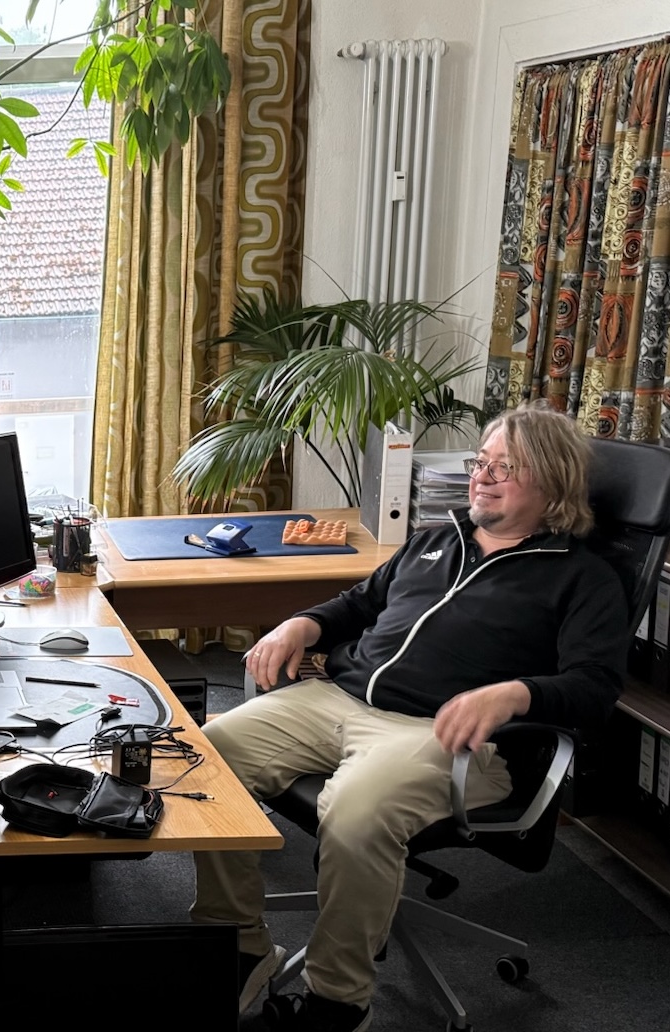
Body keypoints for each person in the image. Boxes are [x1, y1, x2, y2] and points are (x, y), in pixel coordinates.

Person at [194, 401, 630, 1032]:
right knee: (207, 759)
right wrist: (302, 622)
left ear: (553, 482)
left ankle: (335, 1003)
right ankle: (238, 947)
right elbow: (359, 602)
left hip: (447, 736)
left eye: (506, 466)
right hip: (338, 699)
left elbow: (595, 689)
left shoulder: (581, 579)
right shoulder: (435, 540)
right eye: (482, 461)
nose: (482, 475)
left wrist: (513, 693)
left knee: (357, 810)